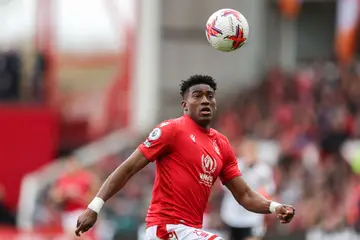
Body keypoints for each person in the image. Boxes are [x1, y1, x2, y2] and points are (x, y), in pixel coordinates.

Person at [75, 75, 295, 240]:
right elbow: (128, 168)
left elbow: (245, 194)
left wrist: (276, 207)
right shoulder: (171, 130)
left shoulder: (221, 144)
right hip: (165, 228)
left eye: (210, 96)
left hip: (190, 231)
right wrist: (94, 207)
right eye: (197, 96)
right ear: (184, 105)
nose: (205, 100)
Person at [220, 139, 276, 240]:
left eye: (252, 151)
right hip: (232, 214)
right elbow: (223, 186)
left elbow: (269, 189)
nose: (249, 154)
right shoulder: (235, 165)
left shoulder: (263, 169)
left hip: (253, 216)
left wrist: (262, 194)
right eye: (247, 151)